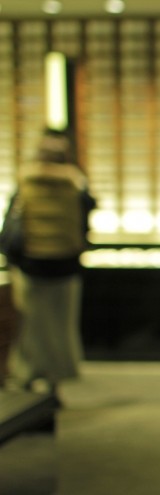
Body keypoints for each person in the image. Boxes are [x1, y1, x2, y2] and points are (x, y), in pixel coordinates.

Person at [2, 128, 96, 398]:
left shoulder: (26, 180)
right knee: (61, 323)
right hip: (65, 263)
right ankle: (58, 375)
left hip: (31, 263)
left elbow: (13, 220)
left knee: (31, 323)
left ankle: (29, 373)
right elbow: (87, 214)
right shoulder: (75, 183)